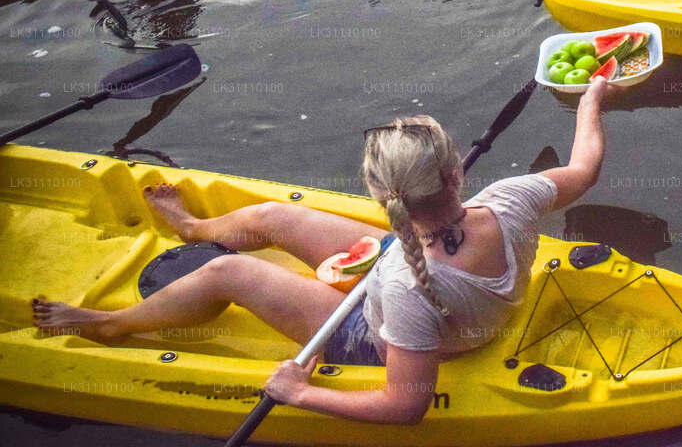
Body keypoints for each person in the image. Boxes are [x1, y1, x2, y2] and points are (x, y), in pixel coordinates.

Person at [32, 77, 610, 425]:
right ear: (456, 172)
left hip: (390, 329)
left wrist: (300, 393)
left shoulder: (408, 287)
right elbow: (584, 166)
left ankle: (111, 325)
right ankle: (193, 228)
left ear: (381, 195)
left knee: (229, 272)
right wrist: (591, 100)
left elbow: (405, 406)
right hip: (419, 261)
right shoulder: (513, 197)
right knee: (274, 217)